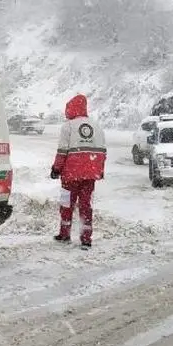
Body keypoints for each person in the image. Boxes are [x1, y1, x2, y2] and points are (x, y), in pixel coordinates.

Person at [50, 93, 106, 248]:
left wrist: (56, 169)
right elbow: (102, 151)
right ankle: (86, 238)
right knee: (86, 206)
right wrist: (99, 171)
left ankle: (65, 234)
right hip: (90, 175)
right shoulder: (96, 126)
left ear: (71, 109)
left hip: (70, 175)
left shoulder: (68, 127)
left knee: (66, 204)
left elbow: (62, 151)